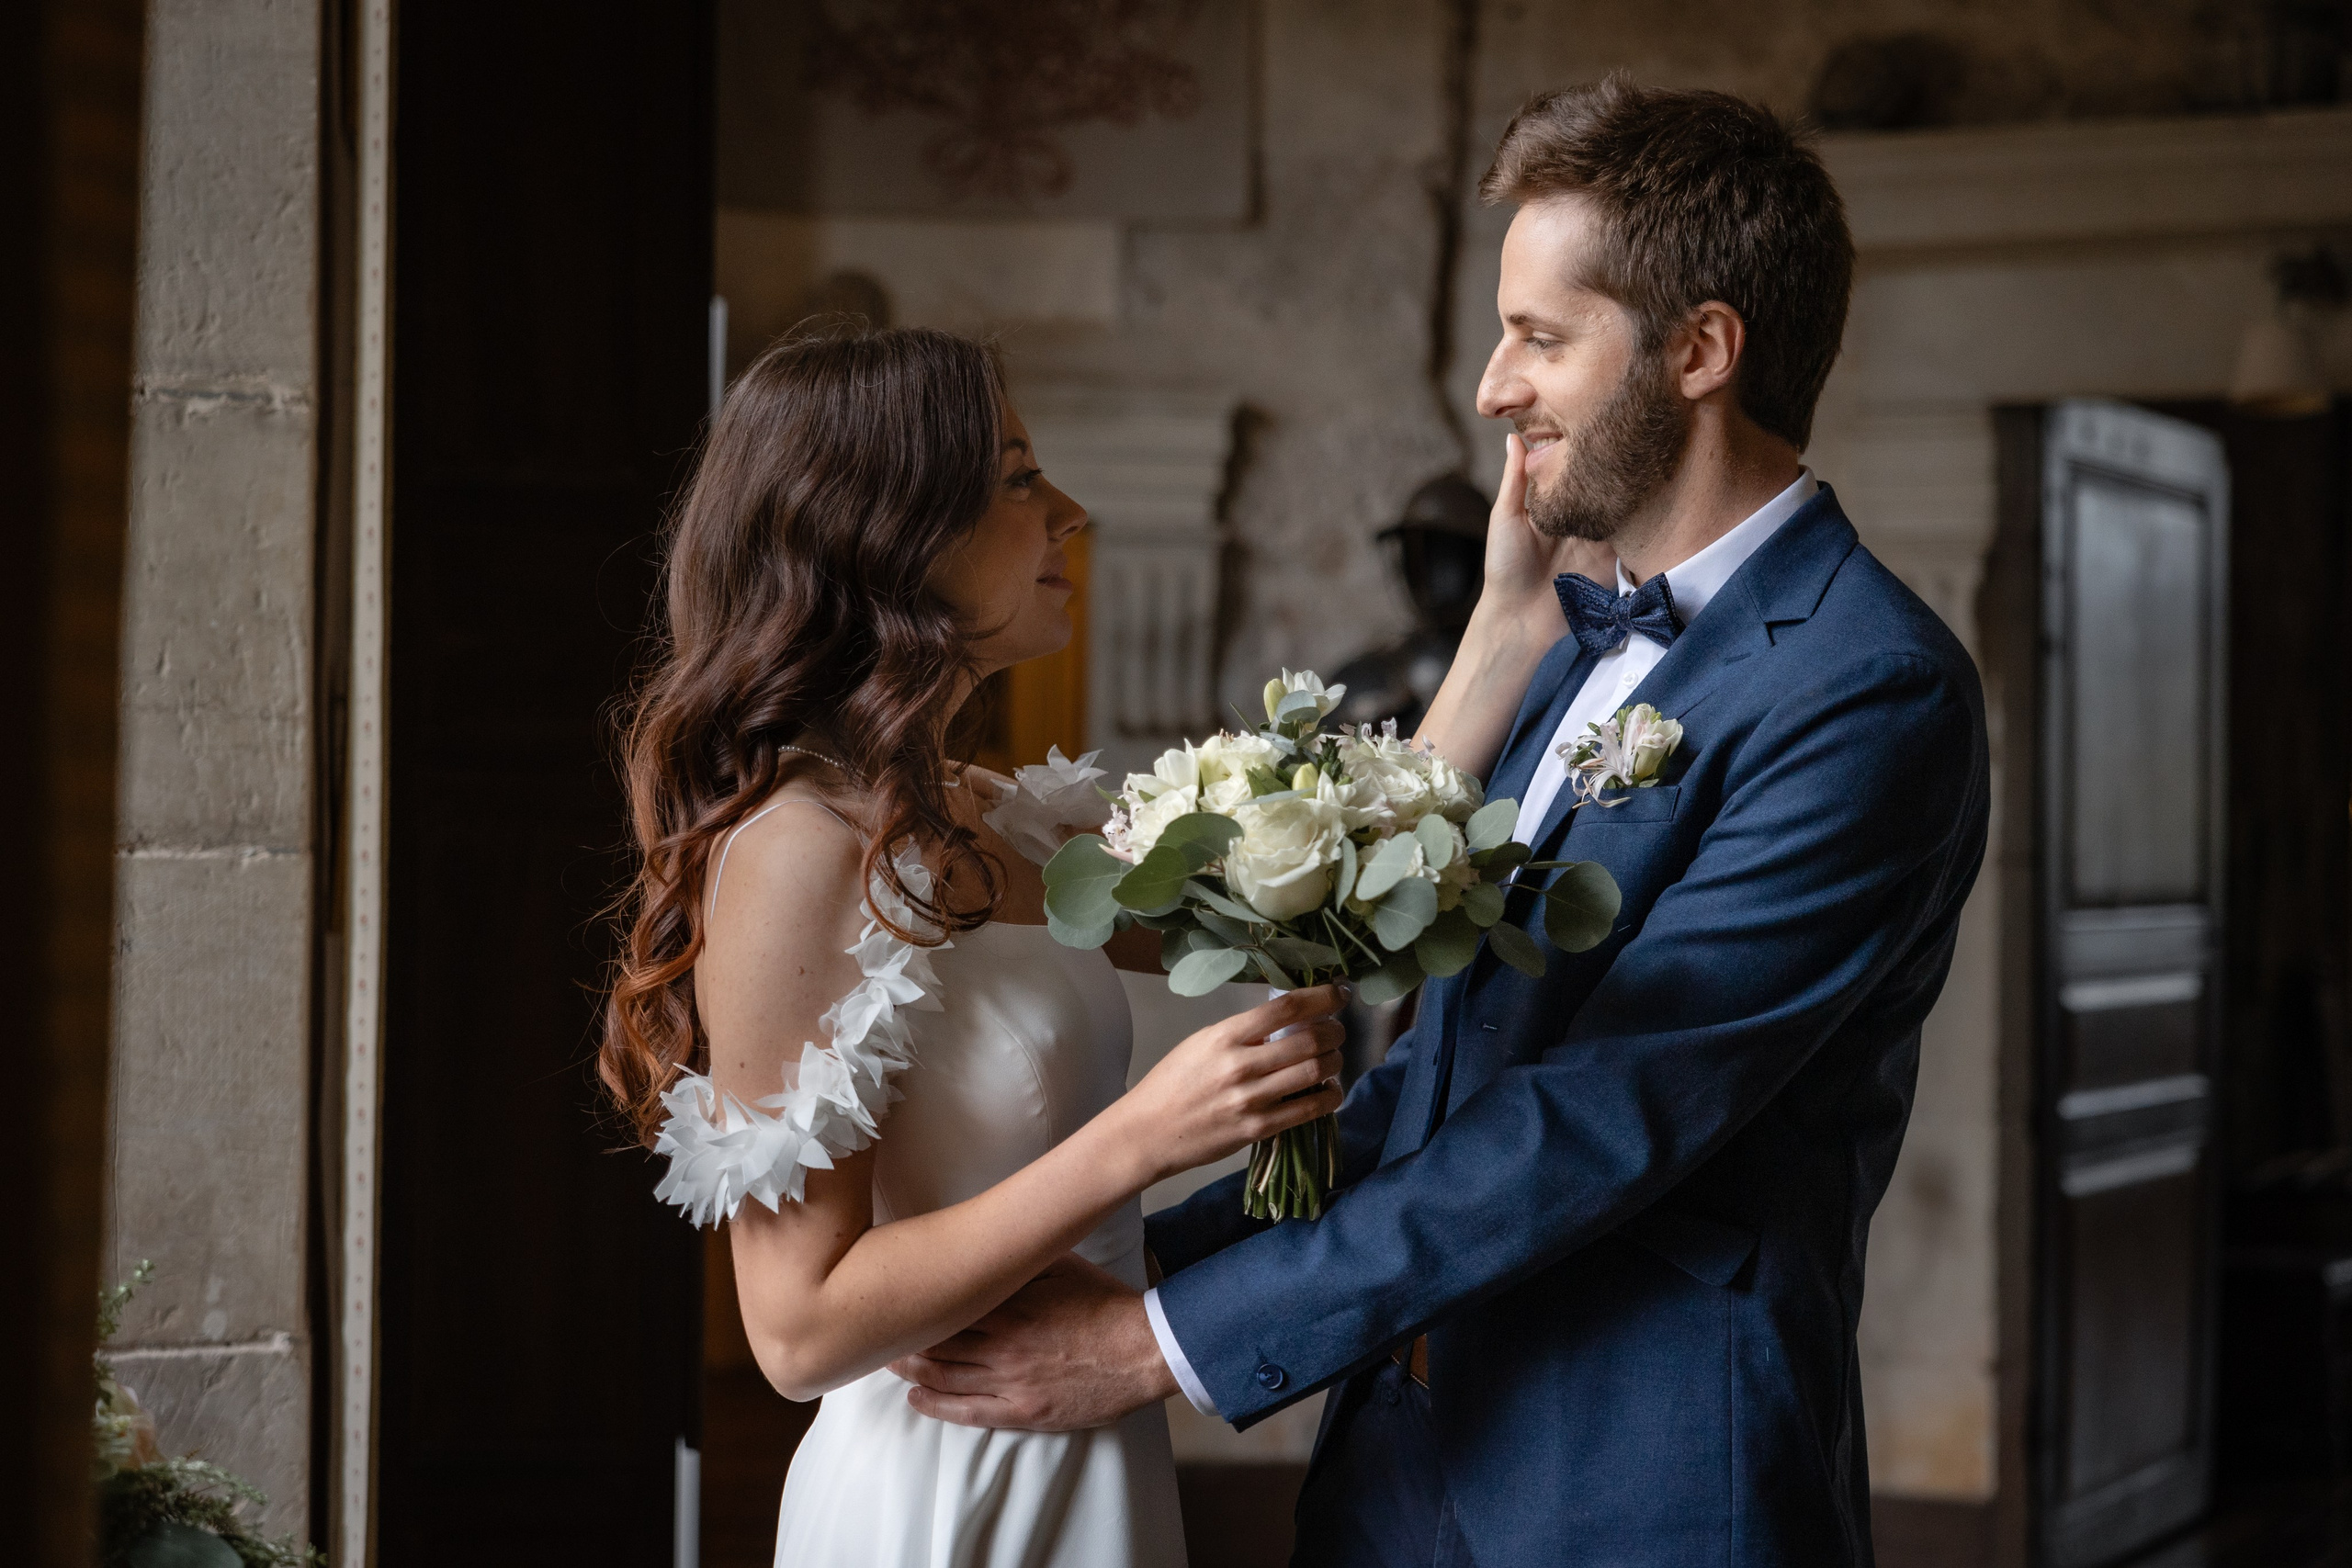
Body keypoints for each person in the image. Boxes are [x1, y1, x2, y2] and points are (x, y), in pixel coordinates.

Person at [888, 78, 1993, 1568]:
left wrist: (1154, 1344)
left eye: (1540, 337)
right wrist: (1136, 1261)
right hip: (1402, 1463)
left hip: (1645, 1484)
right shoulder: (1570, 633)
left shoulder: (1872, 690)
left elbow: (1597, 1115)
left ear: (1701, 351)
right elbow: (1436, 1091)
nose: (1492, 388)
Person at [597, 323, 1348, 1568]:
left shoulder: (986, 815)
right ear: (889, 531)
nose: (1069, 511)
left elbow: (1306, 894)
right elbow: (796, 1333)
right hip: (944, 1487)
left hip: (1095, 1459)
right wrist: (1145, 1139)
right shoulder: (794, 848)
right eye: (1016, 478)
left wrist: (1508, 614)